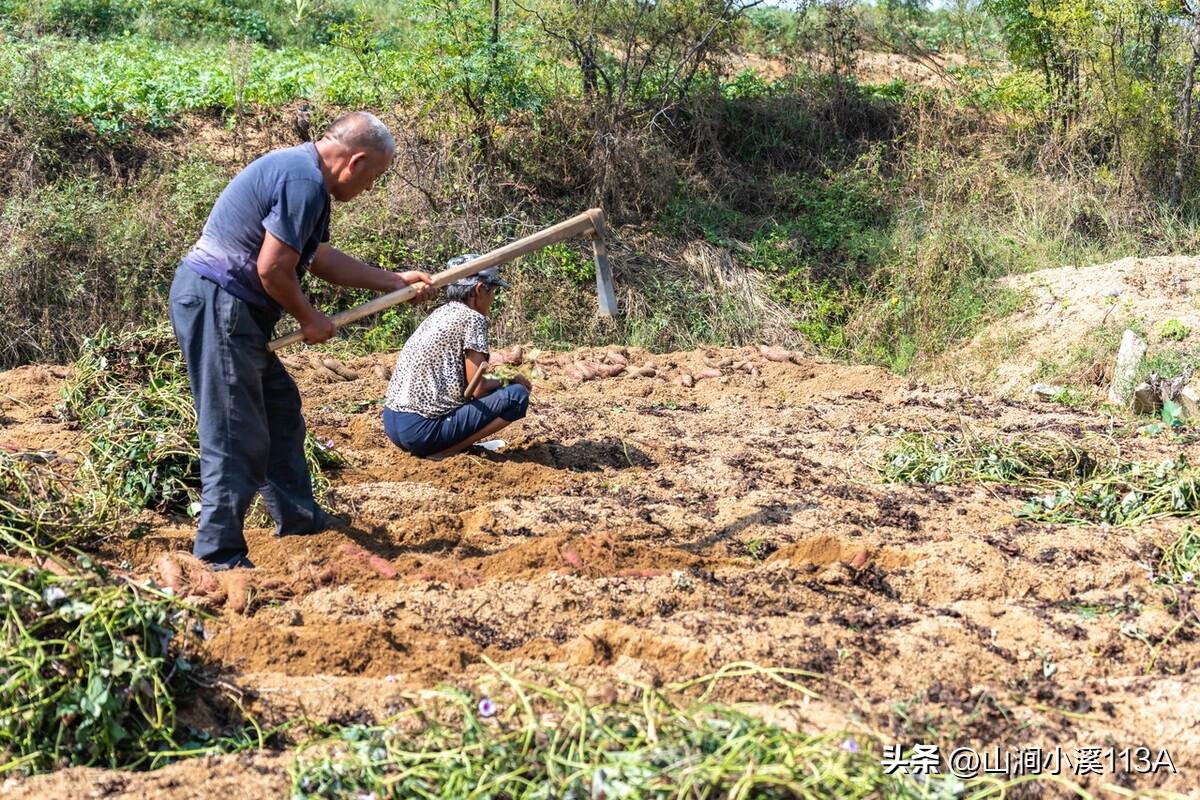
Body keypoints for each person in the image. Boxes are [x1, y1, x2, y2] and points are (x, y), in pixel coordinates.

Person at [168, 111, 433, 570]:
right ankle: (218, 553)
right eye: (375, 177)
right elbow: (272, 268)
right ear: (356, 161)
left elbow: (318, 258)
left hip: (233, 308)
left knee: (280, 412)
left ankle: (299, 517)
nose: (370, 188)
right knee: (235, 432)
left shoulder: (304, 178)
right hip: (219, 304)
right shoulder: (303, 180)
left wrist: (390, 281)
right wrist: (310, 319)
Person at [382, 259, 531, 459]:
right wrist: (512, 378)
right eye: (492, 291)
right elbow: (478, 389)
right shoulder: (472, 318)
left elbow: (467, 381)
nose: (493, 298)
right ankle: (448, 450)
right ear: (479, 290)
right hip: (421, 430)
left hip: (393, 423)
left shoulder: (442, 312)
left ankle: (447, 444)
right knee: (517, 396)